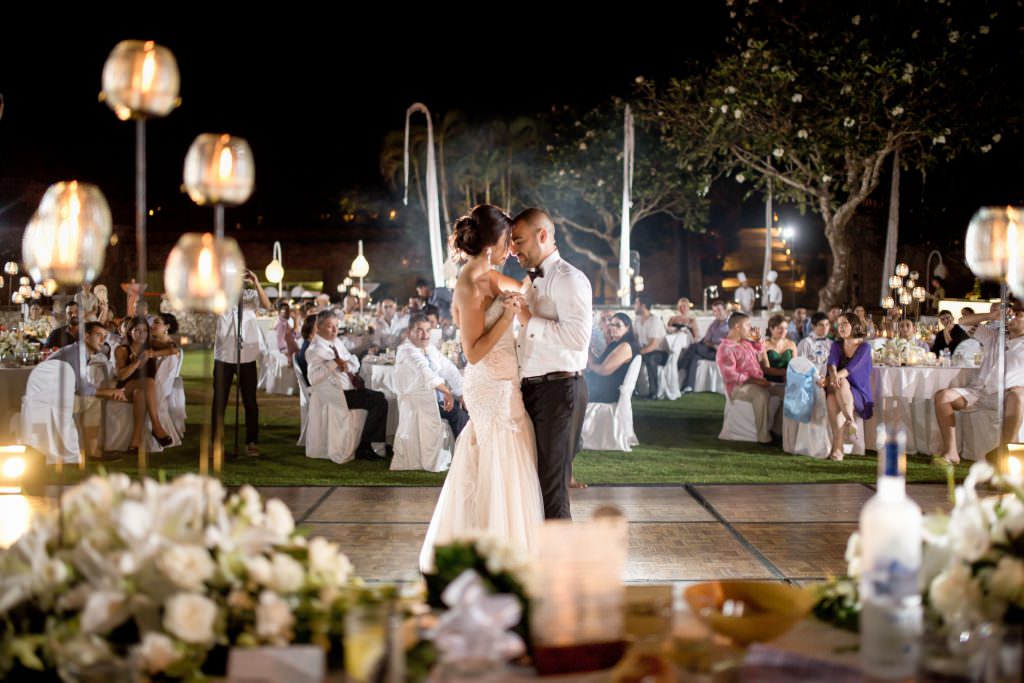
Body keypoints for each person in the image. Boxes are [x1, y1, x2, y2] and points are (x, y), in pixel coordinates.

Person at [419, 204, 545, 571]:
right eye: (509, 242)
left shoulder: (484, 277)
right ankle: (503, 556)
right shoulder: (476, 282)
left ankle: (488, 549)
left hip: (499, 381)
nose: (512, 251)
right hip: (493, 385)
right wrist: (508, 315)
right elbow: (473, 352)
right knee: (505, 463)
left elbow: (525, 290)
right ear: (493, 244)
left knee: (493, 463)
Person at [511, 207, 593, 508]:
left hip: (558, 389)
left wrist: (528, 319)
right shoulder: (530, 281)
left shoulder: (570, 279)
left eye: (518, 241)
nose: (512, 249)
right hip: (532, 388)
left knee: (552, 486)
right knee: (533, 481)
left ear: (542, 235)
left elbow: (577, 338)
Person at [933, 305, 1024, 464]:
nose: (1012, 318)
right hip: (978, 392)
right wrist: (992, 315)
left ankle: (1005, 454)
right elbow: (963, 322)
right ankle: (951, 452)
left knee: (1017, 397)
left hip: (1006, 395)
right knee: (943, 397)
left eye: (1018, 315)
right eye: (1011, 314)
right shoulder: (995, 335)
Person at [306, 309, 390, 459]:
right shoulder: (315, 349)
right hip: (336, 394)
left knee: (380, 397)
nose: (335, 330)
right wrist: (333, 364)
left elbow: (354, 361)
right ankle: (366, 446)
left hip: (349, 389)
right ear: (318, 327)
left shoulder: (336, 342)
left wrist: (346, 365)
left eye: (337, 326)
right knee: (378, 400)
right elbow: (313, 378)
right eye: (330, 326)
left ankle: (370, 444)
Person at [45, 321, 127, 460]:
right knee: (93, 401)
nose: (102, 340)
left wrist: (107, 392)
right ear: (86, 337)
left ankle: (93, 451)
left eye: (104, 336)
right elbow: (82, 388)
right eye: (98, 335)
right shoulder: (76, 353)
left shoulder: (79, 352)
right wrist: (109, 392)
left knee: (93, 401)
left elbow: (81, 386)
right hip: (50, 400)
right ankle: (93, 452)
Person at [212, 269, 271, 457]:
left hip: (246, 356)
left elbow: (267, 305)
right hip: (224, 356)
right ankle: (216, 441)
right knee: (219, 401)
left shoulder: (250, 296)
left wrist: (256, 282)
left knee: (250, 401)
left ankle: (251, 441)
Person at [396, 313, 469, 438]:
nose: (425, 335)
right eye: (420, 330)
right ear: (409, 332)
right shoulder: (406, 351)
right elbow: (426, 372)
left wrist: (462, 392)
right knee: (460, 416)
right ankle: (463, 455)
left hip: (438, 402)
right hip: (422, 404)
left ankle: (471, 451)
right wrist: (447, 392)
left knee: (469, 408)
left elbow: (449, 369)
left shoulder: (430, 349)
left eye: (428, 330)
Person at [114, 317, 175, 454]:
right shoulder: (122, 350)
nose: (142, 334)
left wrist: (153, 354)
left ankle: (134, 443)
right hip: (125, 388)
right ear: (130, 332)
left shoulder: (151, 345)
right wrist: (138, 362)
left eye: (145, 331)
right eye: (137, 330)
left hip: (142, 391)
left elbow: (173, 349)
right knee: (148, 381)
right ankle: (156, 425)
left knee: (140, 394)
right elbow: (121, 376)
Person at [716, 312, 775, 443]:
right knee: (761, 395)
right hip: (738, 387)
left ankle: (778, 430)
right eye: (747, 325)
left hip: (757, 382)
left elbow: (759, 351)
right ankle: (763, 436)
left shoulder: (746, 343)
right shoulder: (725, 348)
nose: (750, 327)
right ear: (737, 326)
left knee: (783, 392)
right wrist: (756, 381)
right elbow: (730, 375)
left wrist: (758, 339)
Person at [822, 313, 873, 461]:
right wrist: (831, 375)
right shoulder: (837, 345)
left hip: (858, 392)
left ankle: (838, 443)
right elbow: (831, 364)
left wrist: (830, 380)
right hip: (838, 387)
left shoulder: (864, 347)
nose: (841, 327)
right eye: (839, 324)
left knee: (841, 383)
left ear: (854, 325)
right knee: (832, 396)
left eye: (845, 323)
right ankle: (841, 438)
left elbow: (849, 369)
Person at [585, 312, 639, 403]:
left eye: (618, 325)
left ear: (628, 328)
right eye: (612, 325)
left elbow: (604, 370)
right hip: (599, 385)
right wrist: (587, 348)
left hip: (607, 391)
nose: (613, 328)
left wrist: (590, 366)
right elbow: (597, 362)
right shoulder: (614, 344)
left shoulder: (625, 346)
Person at [679, 300, 729, 393]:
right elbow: (707, 339)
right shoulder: (715, 323)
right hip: (708, 348)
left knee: (694, 347)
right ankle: (689, 386)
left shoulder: (731, 325)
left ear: (725, 310)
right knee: (694, 357)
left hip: (719, 353)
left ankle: (680, 366)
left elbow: (729, 345)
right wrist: (710, 343)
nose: (716, 313)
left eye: (719, 310)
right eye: (714, 311)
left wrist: (713, 344)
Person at [634, 293, 669, 399]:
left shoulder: (655, 321)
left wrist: (638, 352)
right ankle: (632, 390)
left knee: (650, 358)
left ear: (643, 305)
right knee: (628, 358)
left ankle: (654, 392)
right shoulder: (637, 320)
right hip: (645, 350)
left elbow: (653, 345)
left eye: (636, 303)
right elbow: (635, 338)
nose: (634, 306)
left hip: (660, 353)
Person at [761, 314, 797, 384]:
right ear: (771, 328)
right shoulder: (763, 344)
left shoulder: (792, 344)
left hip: (788, 382)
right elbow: (765, 369)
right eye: (780, 328)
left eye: (786, 328)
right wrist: (784, 372)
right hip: (769, 383)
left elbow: (794, 366)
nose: (784, 331)